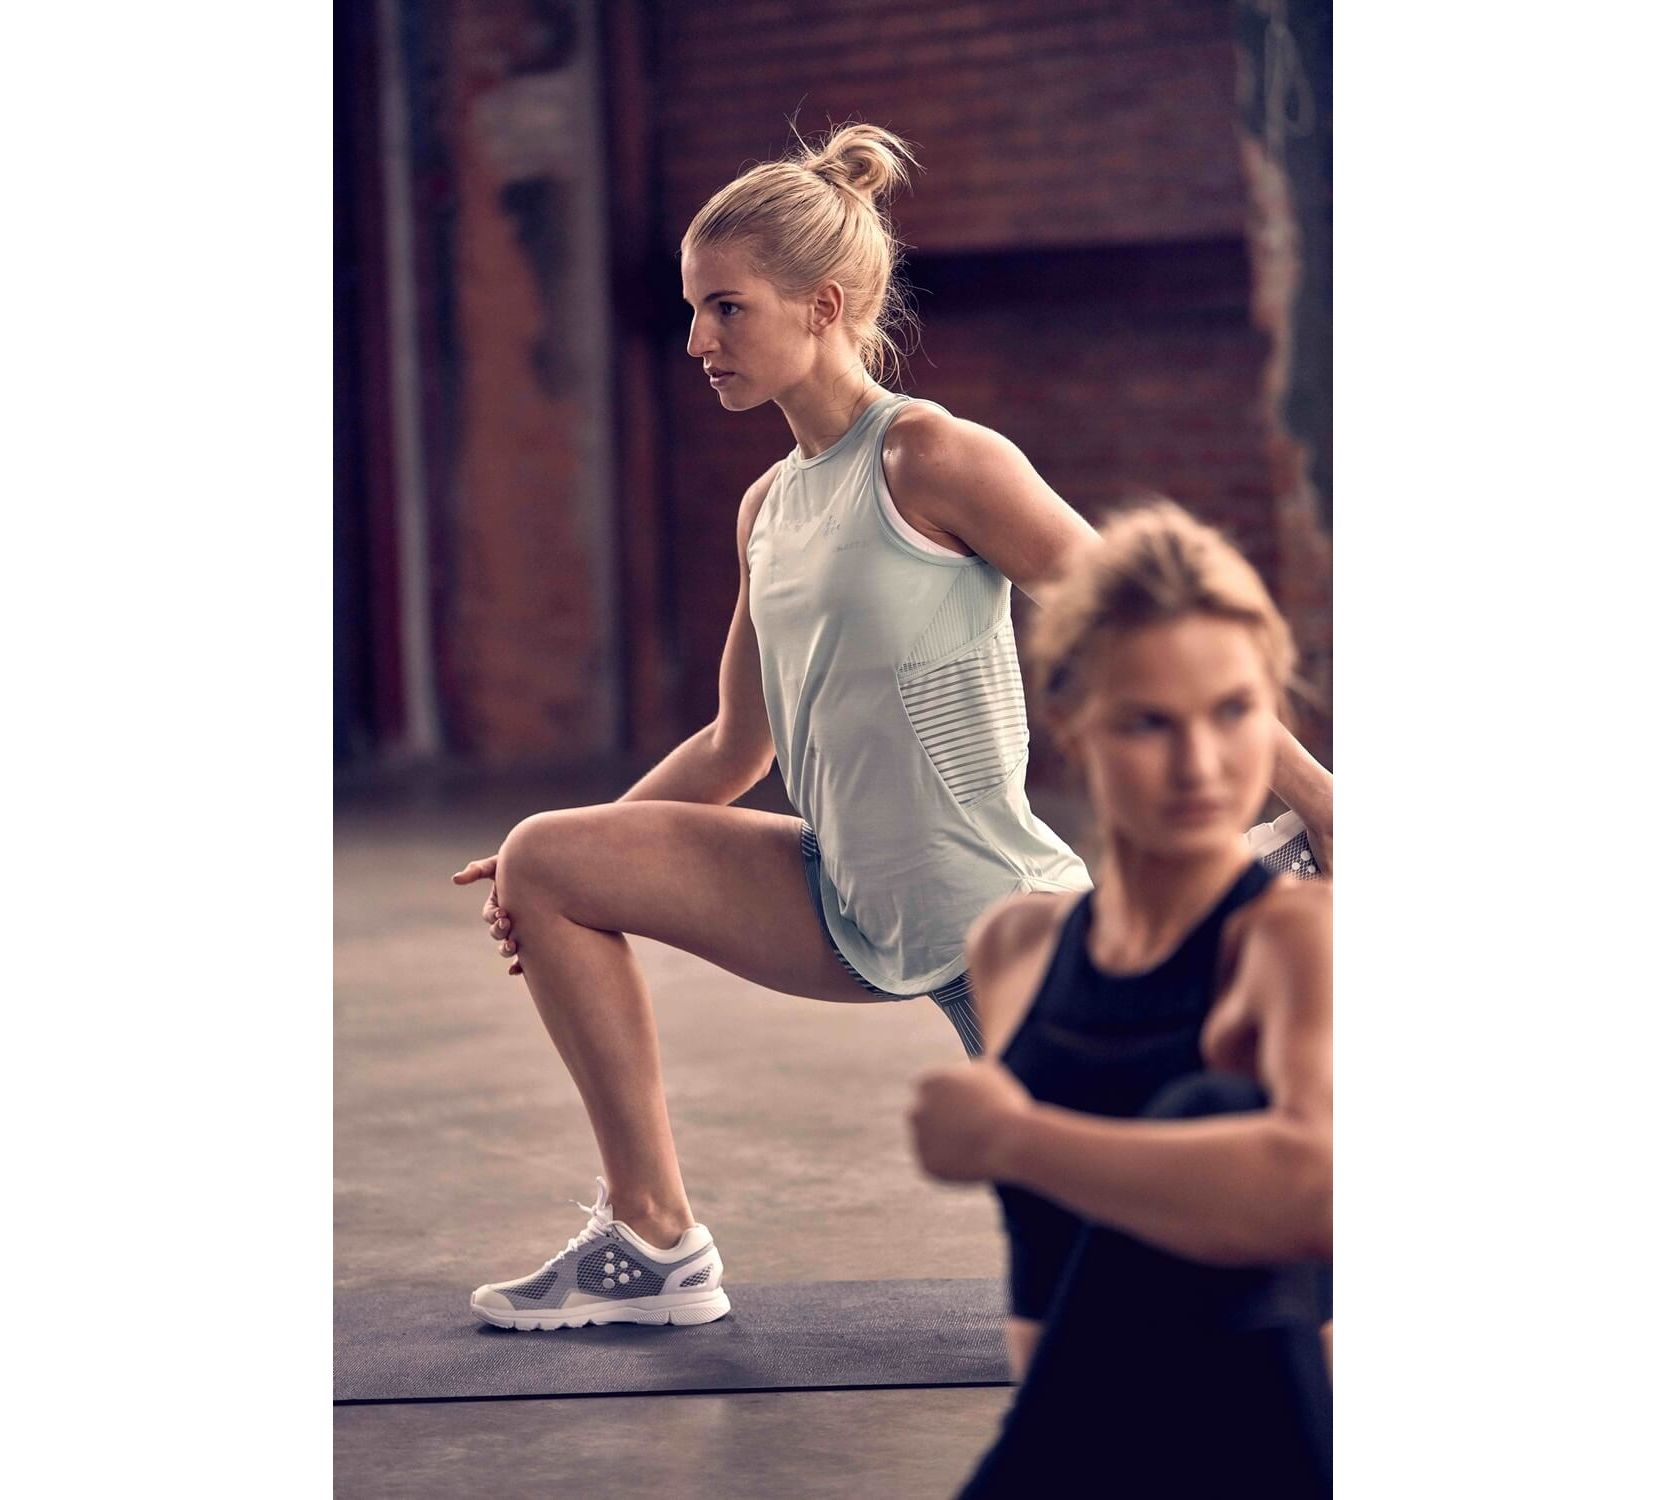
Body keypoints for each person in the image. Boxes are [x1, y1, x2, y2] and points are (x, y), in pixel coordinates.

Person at [452, 122, 1334, 1332]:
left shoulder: (932, 457)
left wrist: (1320, 799)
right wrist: (545, 863)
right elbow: (735, 744)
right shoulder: (769, 505)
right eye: (693, 310)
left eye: (725, 309)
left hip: (987, 913)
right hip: (839, 893)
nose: (697, 340)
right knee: (550, 855)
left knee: (1167, 1282)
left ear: (820, 307)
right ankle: (652, 1242)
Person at [907, 501, 1332, 1494]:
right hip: (1083, 1452)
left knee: (1210, 1108)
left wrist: (1014, 1140)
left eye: (1233, 713)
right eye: (1149, 723)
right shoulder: (1014, 948)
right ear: (1070, 723)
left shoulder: (1291, 938)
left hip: (1252, 1456)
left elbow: (1318, 1188)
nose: (1200, 766)